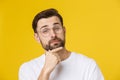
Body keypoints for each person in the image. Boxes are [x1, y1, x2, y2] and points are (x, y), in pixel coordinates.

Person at [19, 8, 104, 80]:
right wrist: (45, 71)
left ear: (64, 30)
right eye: (45, 31)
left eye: (56, 28)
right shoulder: (27, 69)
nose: (53, 35)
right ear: (37, 37)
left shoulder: (88, 65)